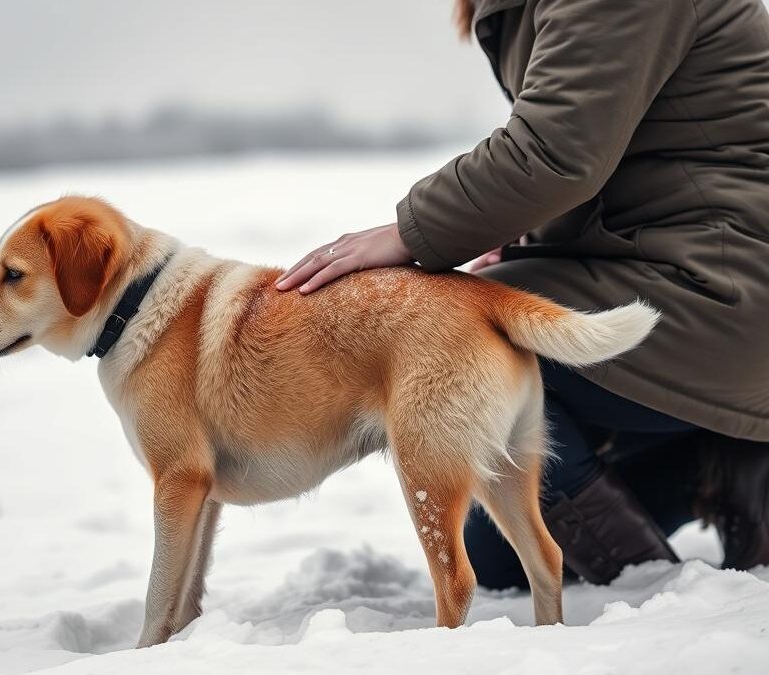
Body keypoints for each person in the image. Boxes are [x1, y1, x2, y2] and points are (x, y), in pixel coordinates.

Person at [275, 0, 769, 587]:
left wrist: (409, 232)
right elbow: (632, 151)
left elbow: (557, 151)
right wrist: (526, 244)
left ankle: (649, 590)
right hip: (673, 273)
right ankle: (718, 464)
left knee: (443, 340)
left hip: (722, 290)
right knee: (500, 553)